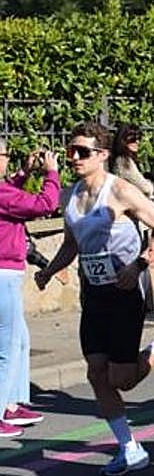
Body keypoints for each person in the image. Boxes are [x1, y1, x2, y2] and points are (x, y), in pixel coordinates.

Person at [34, 122, 154, 475]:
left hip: (125, 291)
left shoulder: (120, 190)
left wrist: (140, 264)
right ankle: (130, 449)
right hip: (94, 293)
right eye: (71, 150)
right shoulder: (70, 196)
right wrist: (48, 271)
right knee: (96, 372)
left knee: (122, 379)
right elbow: (71, 244)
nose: (74, 157)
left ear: (103, 155)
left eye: (83, 151)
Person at [0, 142, 61, 436]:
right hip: (4, 275)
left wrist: (24, 173)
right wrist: (52, 173)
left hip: (8, 274)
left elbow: (12, 196)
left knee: (20, 340)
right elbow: (44, 204)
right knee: (7, 348)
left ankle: (11, 403)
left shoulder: (4, 191)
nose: (6, 161)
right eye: (5, 156)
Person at [109, 125, 154, 198]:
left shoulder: (119, 159)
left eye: (139, 138)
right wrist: (151, 184)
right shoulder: (123, 162)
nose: (137, 142)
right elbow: (146, 188)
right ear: (123, 140)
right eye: (133, 139)